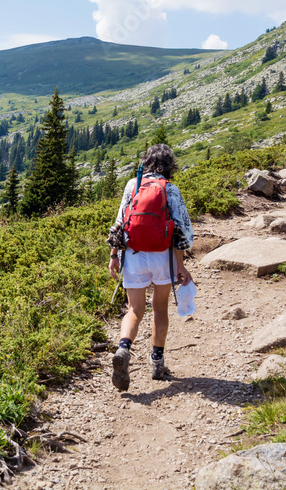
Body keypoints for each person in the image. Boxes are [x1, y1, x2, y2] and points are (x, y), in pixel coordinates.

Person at [107, 144, 194, 391]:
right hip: (162, 258)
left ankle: (124, 348)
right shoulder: (171, 189)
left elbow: (120, 222)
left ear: (146, 162)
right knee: (159, 308)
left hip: (133, 255)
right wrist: (181, 265)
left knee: (134, 309)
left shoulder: (131, 185)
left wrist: (114, 254)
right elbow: (182, 231)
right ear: (169, 166)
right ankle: (157, 362)